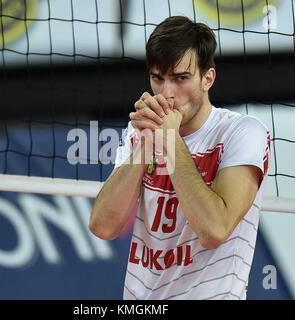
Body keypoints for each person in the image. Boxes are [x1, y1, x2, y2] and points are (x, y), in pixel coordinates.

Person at [89, 16, 270, 300]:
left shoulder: (243, 132)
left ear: (207, 78)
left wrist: (170, 141)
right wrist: (146, 145)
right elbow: (103, 227)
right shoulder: (139, 132)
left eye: (181, 78)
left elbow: (214, 229)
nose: (167, 93)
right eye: (157, 78)